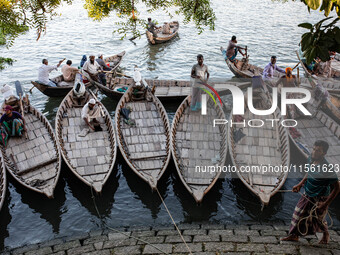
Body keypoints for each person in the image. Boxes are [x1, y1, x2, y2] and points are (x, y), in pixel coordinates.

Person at [281, 140, 340, 244]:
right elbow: (309, 172)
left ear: (324, 153)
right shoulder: (311, 159)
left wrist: (325, 204)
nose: (314, 152)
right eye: (313, 149)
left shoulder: (327, 168)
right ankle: (294, 235)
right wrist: (300, 184)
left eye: (318, 151)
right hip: (307, 193)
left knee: (318, 218)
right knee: (297, 213)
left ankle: (326, 234)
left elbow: (337, 187)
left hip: (320, 197)